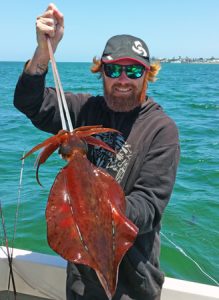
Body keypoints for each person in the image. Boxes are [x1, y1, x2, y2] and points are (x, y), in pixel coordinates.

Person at [14, 3, 180, 300]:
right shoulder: (84, 110)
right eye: (113, 69)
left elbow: (149, 206)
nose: (123, 79)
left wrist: (94, 198)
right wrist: (42, 52)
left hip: (135, 281)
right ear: (101, 72)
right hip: (81, 277)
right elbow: (30, 102)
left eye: (133, 70)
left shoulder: (161, 129)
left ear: (147, 74)